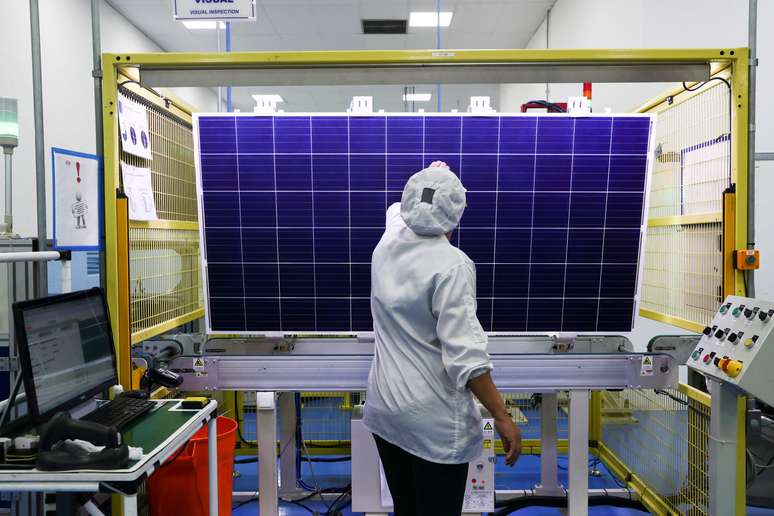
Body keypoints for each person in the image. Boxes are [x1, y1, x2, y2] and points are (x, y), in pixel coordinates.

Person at [363, 161, 522, 516]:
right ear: (457, 215)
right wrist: (502, 416)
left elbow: (400, 210)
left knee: (406, 509)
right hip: (431, 424)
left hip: (387, 414)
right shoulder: (452, 266)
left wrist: (431, 176)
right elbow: (467, 359)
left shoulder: (387, 243)